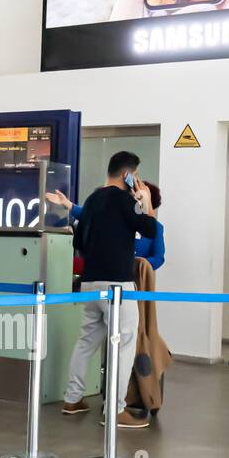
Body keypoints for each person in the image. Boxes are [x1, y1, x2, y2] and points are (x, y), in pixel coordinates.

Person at [62, 151, 158, 428]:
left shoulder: (92, 199)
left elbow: (78, 240)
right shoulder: (126, 200)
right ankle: (115, 411)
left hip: (90, 283)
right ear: (128, 174)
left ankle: (72, 399)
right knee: (124, 344)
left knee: (86, 342)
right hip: (117, 284)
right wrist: (146, 201)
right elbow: (150, 228)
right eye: (136, 176)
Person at [46, 184, 166, 268]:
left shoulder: (156, 227)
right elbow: (92, 215)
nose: (135, 197)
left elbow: (158, 258)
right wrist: (68, 204)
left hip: (138, 280)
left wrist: (138, 264)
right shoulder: (123, 217)